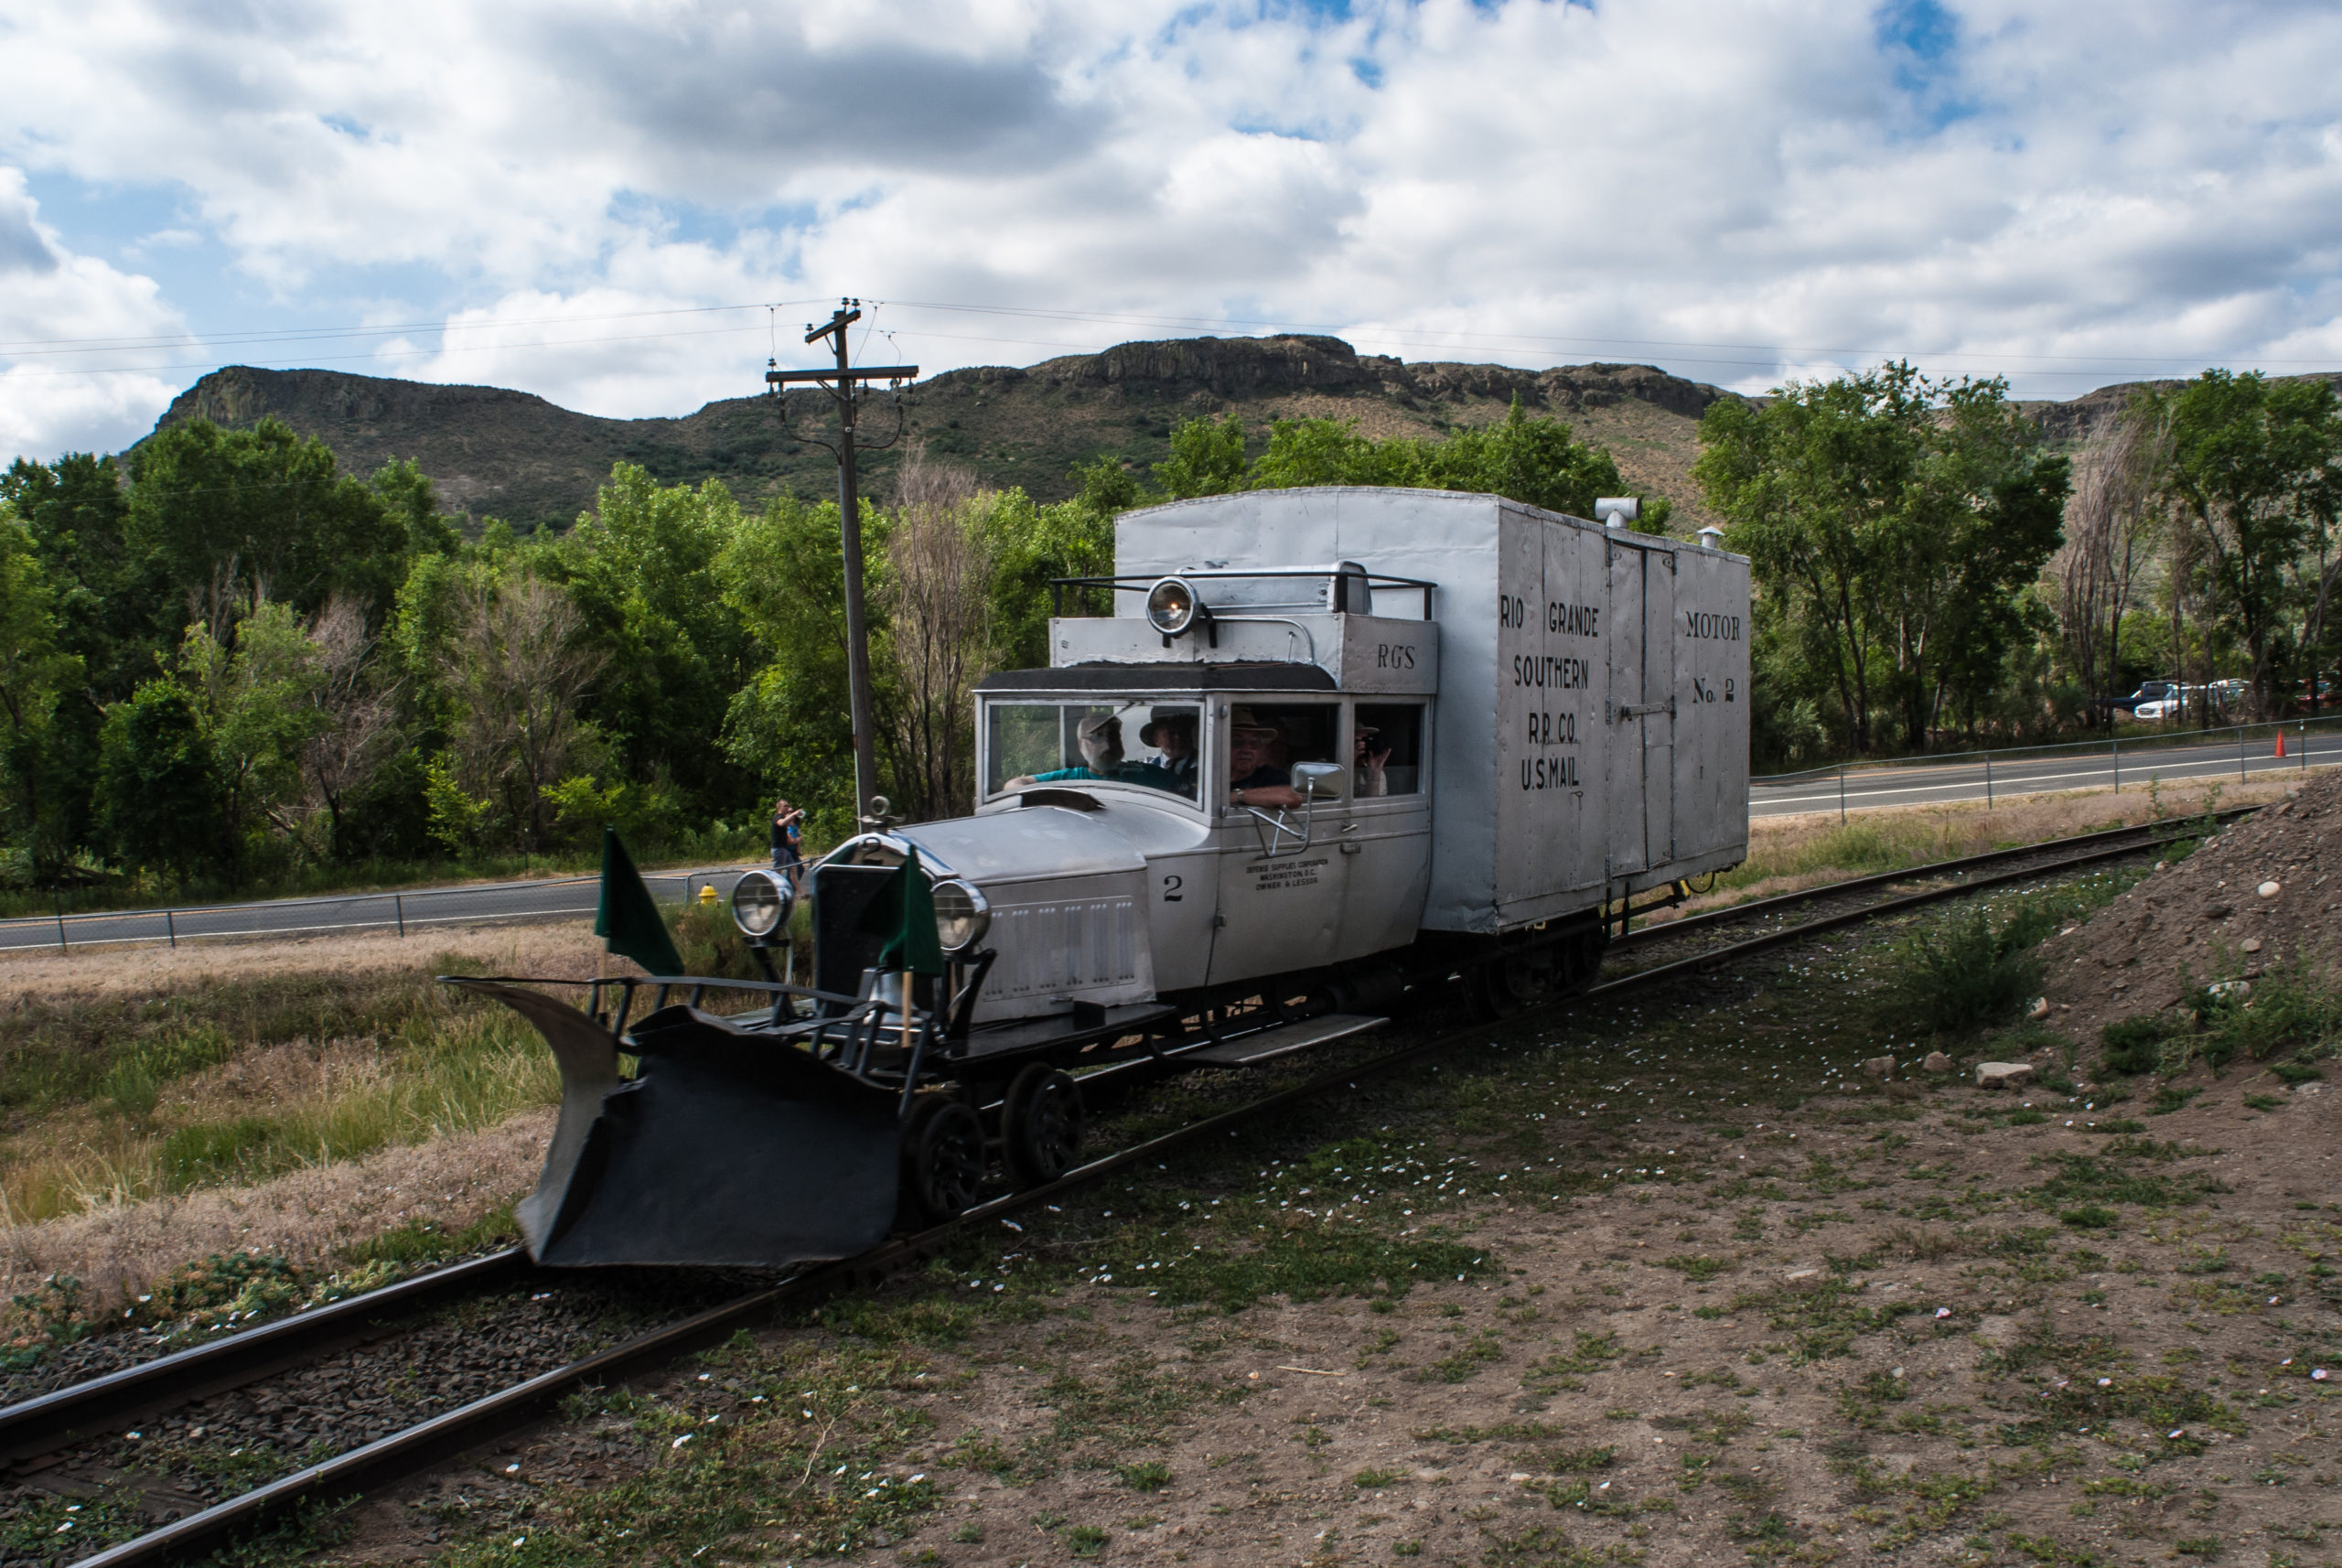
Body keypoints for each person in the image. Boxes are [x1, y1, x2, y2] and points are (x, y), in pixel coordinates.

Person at [1004, 714, 1182, 793]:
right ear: (1081, 744)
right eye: (1097, 738)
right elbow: (1015, 785)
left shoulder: (1145, 773)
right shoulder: (1071, 779)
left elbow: (1188, 789)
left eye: (1113, 737)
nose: (1107, 744)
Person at [1227, 709, 1304, 810]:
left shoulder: (1270, 776)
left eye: (1254, 743)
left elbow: (1294, 797)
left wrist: (1237, 795)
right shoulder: (1207, 775)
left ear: (1260, 750)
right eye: (1238, 742)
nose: (1247, 750)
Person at [1140, 708, 1199, 797]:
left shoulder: (1205, 767)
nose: (1178, 738)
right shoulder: (1149, 767)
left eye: (1183, 732)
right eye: (1171, 733)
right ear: (1156, 739)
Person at [769, 798, 805, 886]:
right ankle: (773, 890)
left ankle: (799, 894)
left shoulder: (786, 820)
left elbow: (794, 826)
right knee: (777, 873)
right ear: (779, 808)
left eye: (788, 805)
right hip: (778, 849)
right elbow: (782, 823)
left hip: (784, 849)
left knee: (794, 869)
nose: (787, 807)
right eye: (785, 806)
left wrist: (797, 815)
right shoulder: (777, 817)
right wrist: (794, 813)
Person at [1354, 722, 1391, 798]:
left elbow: (1372, 806)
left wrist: (1374, 777)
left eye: (1365, 740)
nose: (1363, 745)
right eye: (1357, 741)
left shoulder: (1374, 772)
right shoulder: (1333, 767)